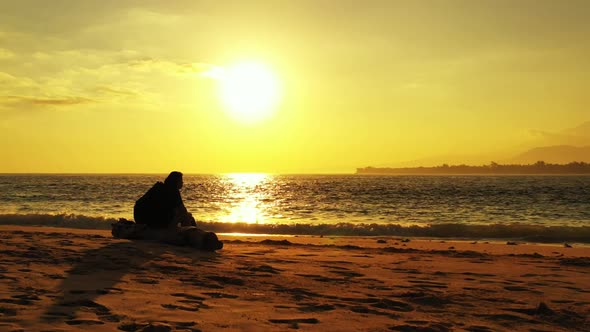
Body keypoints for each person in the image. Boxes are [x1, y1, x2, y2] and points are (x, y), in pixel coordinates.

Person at [113, 171, 222, 251]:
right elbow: (182, 211)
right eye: (181, 181)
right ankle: (191, 234)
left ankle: (188, 231)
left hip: (141, 217)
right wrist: (189, 224)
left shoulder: (158, 187)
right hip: (153, 219)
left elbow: (142, 204)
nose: (182, 184)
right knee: (186, 216)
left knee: (180, 214)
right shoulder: (173, 190)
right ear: (176, 182)